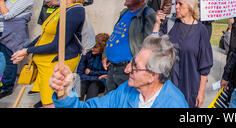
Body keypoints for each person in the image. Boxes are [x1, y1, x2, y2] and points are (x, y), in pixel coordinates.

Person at [49, 34, 188, 108]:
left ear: (153, 75)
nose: (128, 70)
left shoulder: (175, 104)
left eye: (136, 66)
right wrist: (64, 93)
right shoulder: (125, 90)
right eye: (131, 63)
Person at [11, 0, 87, 108]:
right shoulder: (62, 8)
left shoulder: (75, 10)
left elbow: (58, 44)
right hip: (44, 61)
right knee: (46, 100)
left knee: (52, 102)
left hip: (55, 63)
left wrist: (28, 51)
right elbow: (45, 35)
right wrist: (26, 49)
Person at [153, 0, 213, 108]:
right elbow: (154, 45)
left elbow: (205, 65)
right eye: (176, 3)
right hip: (168, 85)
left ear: (190, 7)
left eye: (180, 4)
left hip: (190, 87)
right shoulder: (171, 24)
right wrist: (157, 23)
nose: (176, 7)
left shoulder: (201, 31)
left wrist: (201, 92)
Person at [102, 0, 156, 92]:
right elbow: (115, 34)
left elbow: (149, 44)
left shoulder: (148, 14)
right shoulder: (124, 12)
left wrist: (135, 62)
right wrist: (105, 54)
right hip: (112, 67)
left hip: (127, 69)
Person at [0, 0, 40, 99]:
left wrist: (1, 0)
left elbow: (8, 15)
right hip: (4, 30)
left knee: (10, 57)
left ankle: (7, 87)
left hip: (12, 34)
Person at [77, 33, 110, 101]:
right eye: (92, 46)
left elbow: (107, 73)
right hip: (87, 79)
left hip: (100, 83)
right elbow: (79, 74)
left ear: (102, 47)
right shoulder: (87, 54)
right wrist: (97, 77)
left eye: (95, 47)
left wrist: (90, 72)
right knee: (81, 85)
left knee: (94, 87)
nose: (92, 49)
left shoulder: (108, 57)